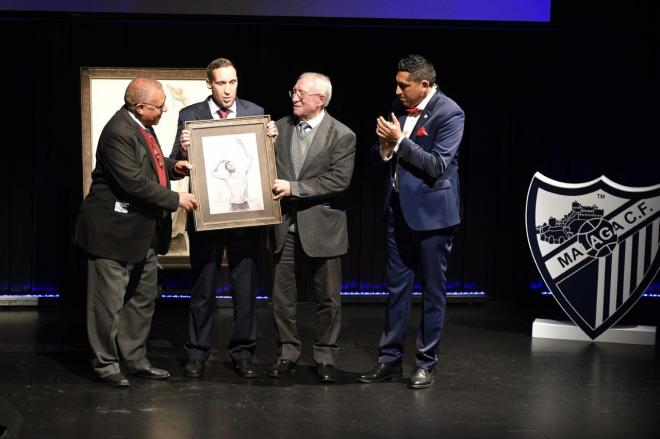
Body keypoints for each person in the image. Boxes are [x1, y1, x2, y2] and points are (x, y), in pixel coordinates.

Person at [75, 77, 199, 387]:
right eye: (159, 106)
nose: (164, 109)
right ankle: (105, 365)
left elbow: (150, 165)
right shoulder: (118, 132)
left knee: (144, 298)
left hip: (143, 233)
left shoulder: (143, 126)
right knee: (107, 303)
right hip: (113, 232)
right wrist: (176, 199)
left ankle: (134, 358)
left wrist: (173, 167)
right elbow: (132, 182)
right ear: (141, 107)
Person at [358, 54, 464, 389]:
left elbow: (436, 166)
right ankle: (389, 360)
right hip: (398, 212)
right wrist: (386, 149)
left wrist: (399, 142)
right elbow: (379, 154)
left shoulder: (450, 113)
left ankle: (425, 363)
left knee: (433, 292)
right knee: (396, 290)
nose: (397, 90)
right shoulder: (397, 105)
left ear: (425, 85)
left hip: (433, 218)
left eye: (404, 85)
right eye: (397, 84)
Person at [170, 58, 278, 379]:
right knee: (203, 288)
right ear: (209, 84)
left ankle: (243, 353)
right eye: (221, 83)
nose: (228, 90)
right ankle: (197, 352)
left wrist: (271, 140)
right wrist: (184, 153)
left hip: (246, 215)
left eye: (232, 82)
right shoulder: (190, 115)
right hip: (207, 213)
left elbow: (265, 162)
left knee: (245, 289)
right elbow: (176, 162)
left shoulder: (254, 112)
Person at [269, 72, 356, 383]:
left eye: (301, 93)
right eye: (293, 90)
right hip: (284, 227)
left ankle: (325, 356)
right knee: (282, 297)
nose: (294, 96)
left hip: (323, 227)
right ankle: (287, 353)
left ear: (320, 100)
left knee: (328, 298)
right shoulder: (277, 128)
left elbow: (338, 180)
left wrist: (294, 188)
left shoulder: (342, 134)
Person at [211, 139, 253, 212]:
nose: (231, 165)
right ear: (227, 169)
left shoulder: (242, 172)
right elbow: (213, 172)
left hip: (244, 203)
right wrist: (219, 163)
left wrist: (242, 145)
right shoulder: (227, 177)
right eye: (229, 165)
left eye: (231, 163)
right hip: (233, 205)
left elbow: (250, 157)